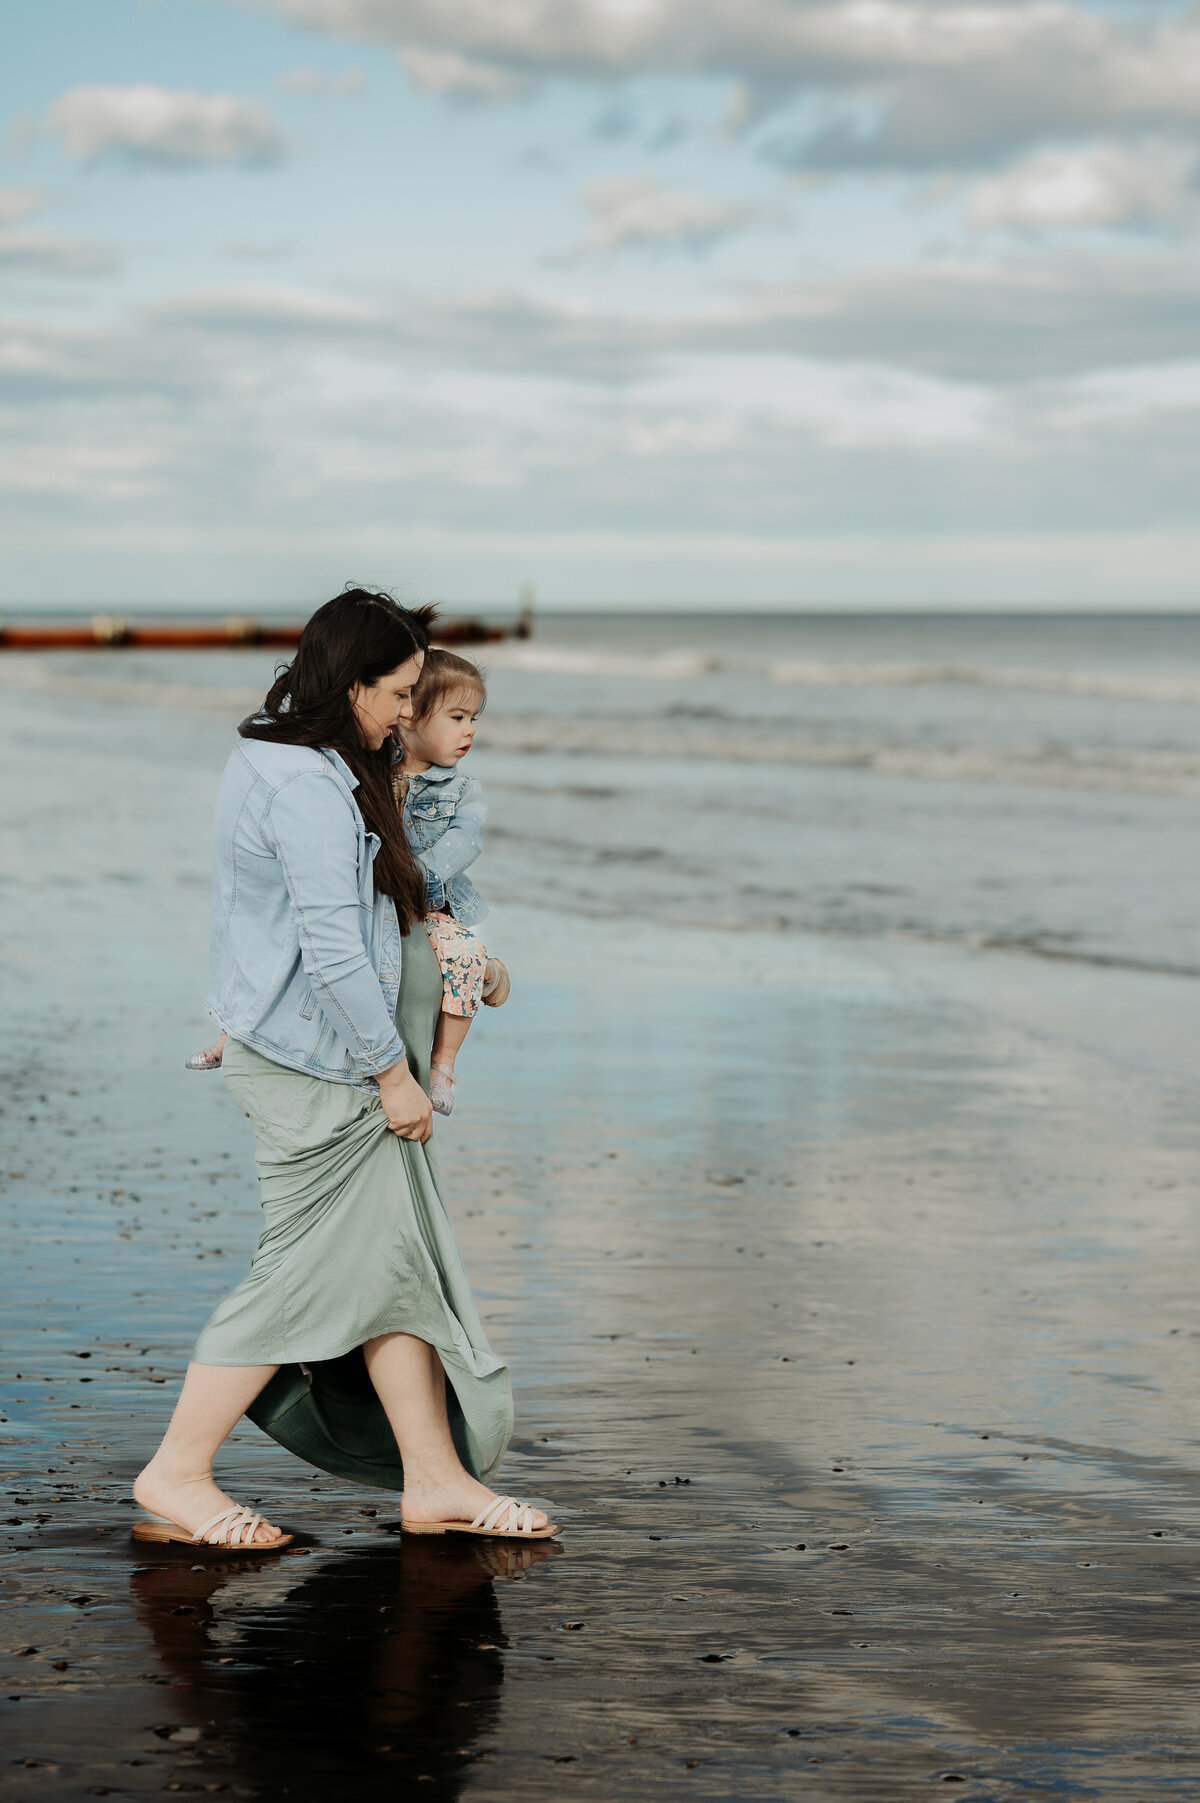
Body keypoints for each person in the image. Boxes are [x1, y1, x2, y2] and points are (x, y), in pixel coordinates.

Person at [133, 588, 557, 1551]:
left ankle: (434, 1480)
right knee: (297, 1279)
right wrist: (392, 1075)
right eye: (401, 693)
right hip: (322, 1068)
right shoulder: (307, 785)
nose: (410, 713)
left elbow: (295, 927)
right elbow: (328, 947)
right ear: (353, 681)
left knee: (391, 1268)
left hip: (311, 1055)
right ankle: (176, 1471)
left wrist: (460, 967)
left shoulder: (303, 757)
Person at [394, 648, 510, 1118]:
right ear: (408, 715)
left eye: (473, 718)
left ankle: (443, 1063)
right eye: (457, 716)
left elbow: (464, 843)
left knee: (461, 956)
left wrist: (412, 877)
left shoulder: (463, 791)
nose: (470, 730)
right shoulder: (370, 773)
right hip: (382, 897)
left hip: (435, 905)